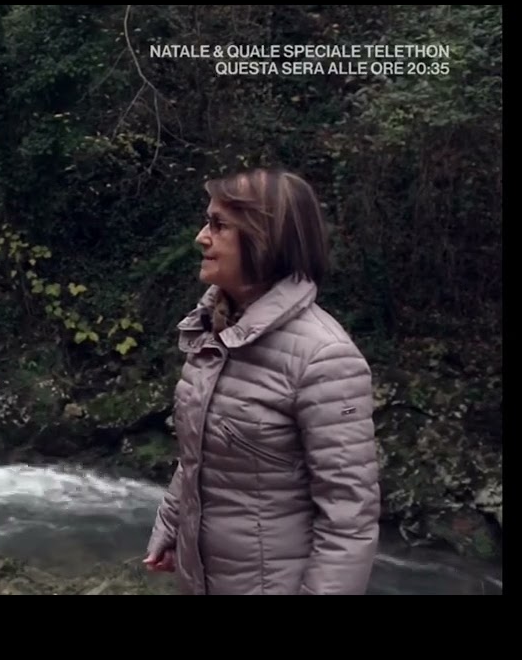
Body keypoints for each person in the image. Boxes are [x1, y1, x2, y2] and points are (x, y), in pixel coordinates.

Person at [143, 167, 381, 595]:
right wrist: (171, 523)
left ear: (265, 239)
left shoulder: (325, 357)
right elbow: (197, 454)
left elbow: (349, 520)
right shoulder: (212, 332)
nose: (201, 237)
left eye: (218, 225)